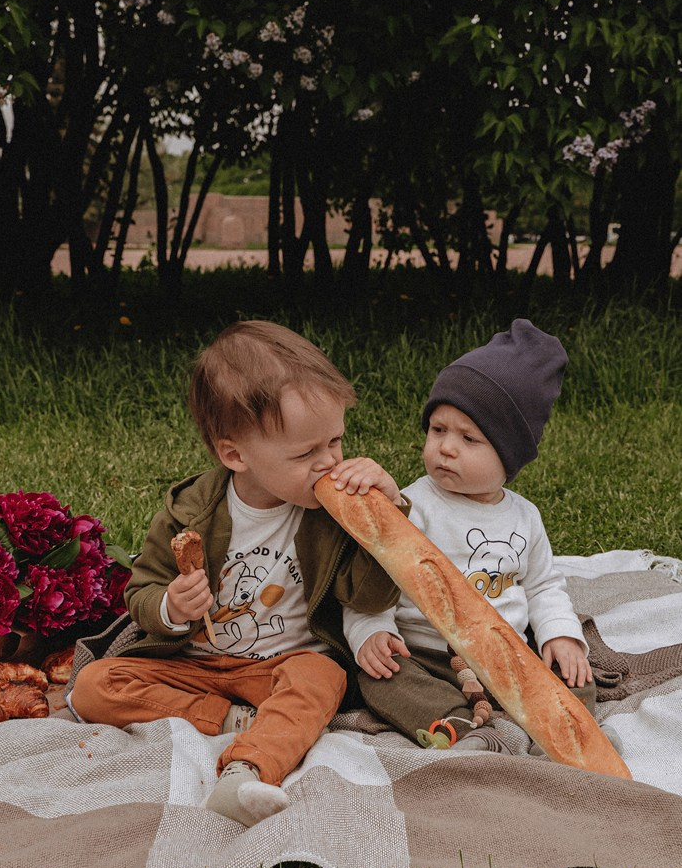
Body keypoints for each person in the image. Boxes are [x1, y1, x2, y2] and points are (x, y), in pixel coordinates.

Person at [69, 320, 403, 826]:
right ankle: (233, 721)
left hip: (280, 667)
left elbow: (372, 595)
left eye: (335, 441)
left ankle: (247, 771)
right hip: (193, 664)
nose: (329, 462)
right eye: (306, 453)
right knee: (93, 686)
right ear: (234, 454)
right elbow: (141, 590)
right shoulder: (191, 511)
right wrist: (171, 607)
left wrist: (389, 515)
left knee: (323, 676)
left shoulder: (333, 512)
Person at [343, 318, 596, 753]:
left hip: (507, 653)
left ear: (509, 456)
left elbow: (542, 585)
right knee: (381, 677)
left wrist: (560, 634)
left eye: (469, 438)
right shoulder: (410, 506)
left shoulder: (524, 517)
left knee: (576, 680)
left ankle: (553, 734)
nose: (446, 447)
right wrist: (371, 631)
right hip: (424, 653)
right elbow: (371, 577)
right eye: (437, 430)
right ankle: (462, 730)